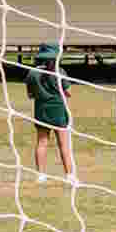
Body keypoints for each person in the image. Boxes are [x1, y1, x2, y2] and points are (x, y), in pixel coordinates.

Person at [24, 43, 75, 183]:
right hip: (59, 111)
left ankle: (40, 175)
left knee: (42, 142)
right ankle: (69, 176)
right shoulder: (60, 72)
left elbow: (30, 95)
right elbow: (68, 92)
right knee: (64, 144)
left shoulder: (32, 73)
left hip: (41, 111)